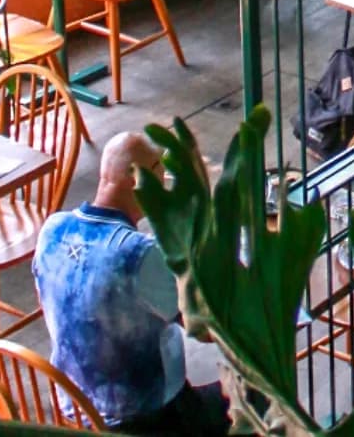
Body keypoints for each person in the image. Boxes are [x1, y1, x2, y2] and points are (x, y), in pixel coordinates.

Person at [33, 133, 230, 435]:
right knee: (254, 397)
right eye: (159, 171)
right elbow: (205, 329)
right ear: (140, 180)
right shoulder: (138, 254)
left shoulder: (52, 229)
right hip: (147, 421)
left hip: (74, 411)